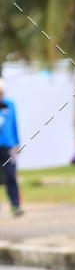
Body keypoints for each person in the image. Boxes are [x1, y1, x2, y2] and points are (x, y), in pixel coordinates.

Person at [0, 78, 24, 217]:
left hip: (8, 146)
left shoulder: (10, 105)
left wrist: (17, 143)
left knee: (11, 175)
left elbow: (14, 124)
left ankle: (15, 205)